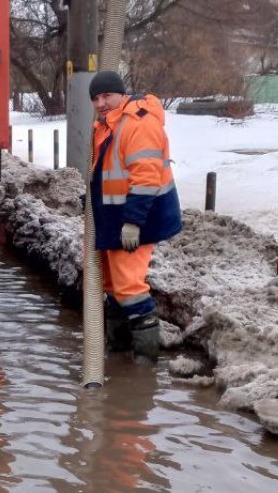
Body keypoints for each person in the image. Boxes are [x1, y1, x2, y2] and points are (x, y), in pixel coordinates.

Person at [87, 71, 182, 363]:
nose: (101, 103)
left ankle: (144, 364)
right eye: (96, 98)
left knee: (128, 287)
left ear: (121, 95)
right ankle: (119, 352)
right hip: (115, 216)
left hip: (138, 219)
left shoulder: (137, 124)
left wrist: (133, 223)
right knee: (112, 288)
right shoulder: (107, 125)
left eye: (107, 96)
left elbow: (146, 178)